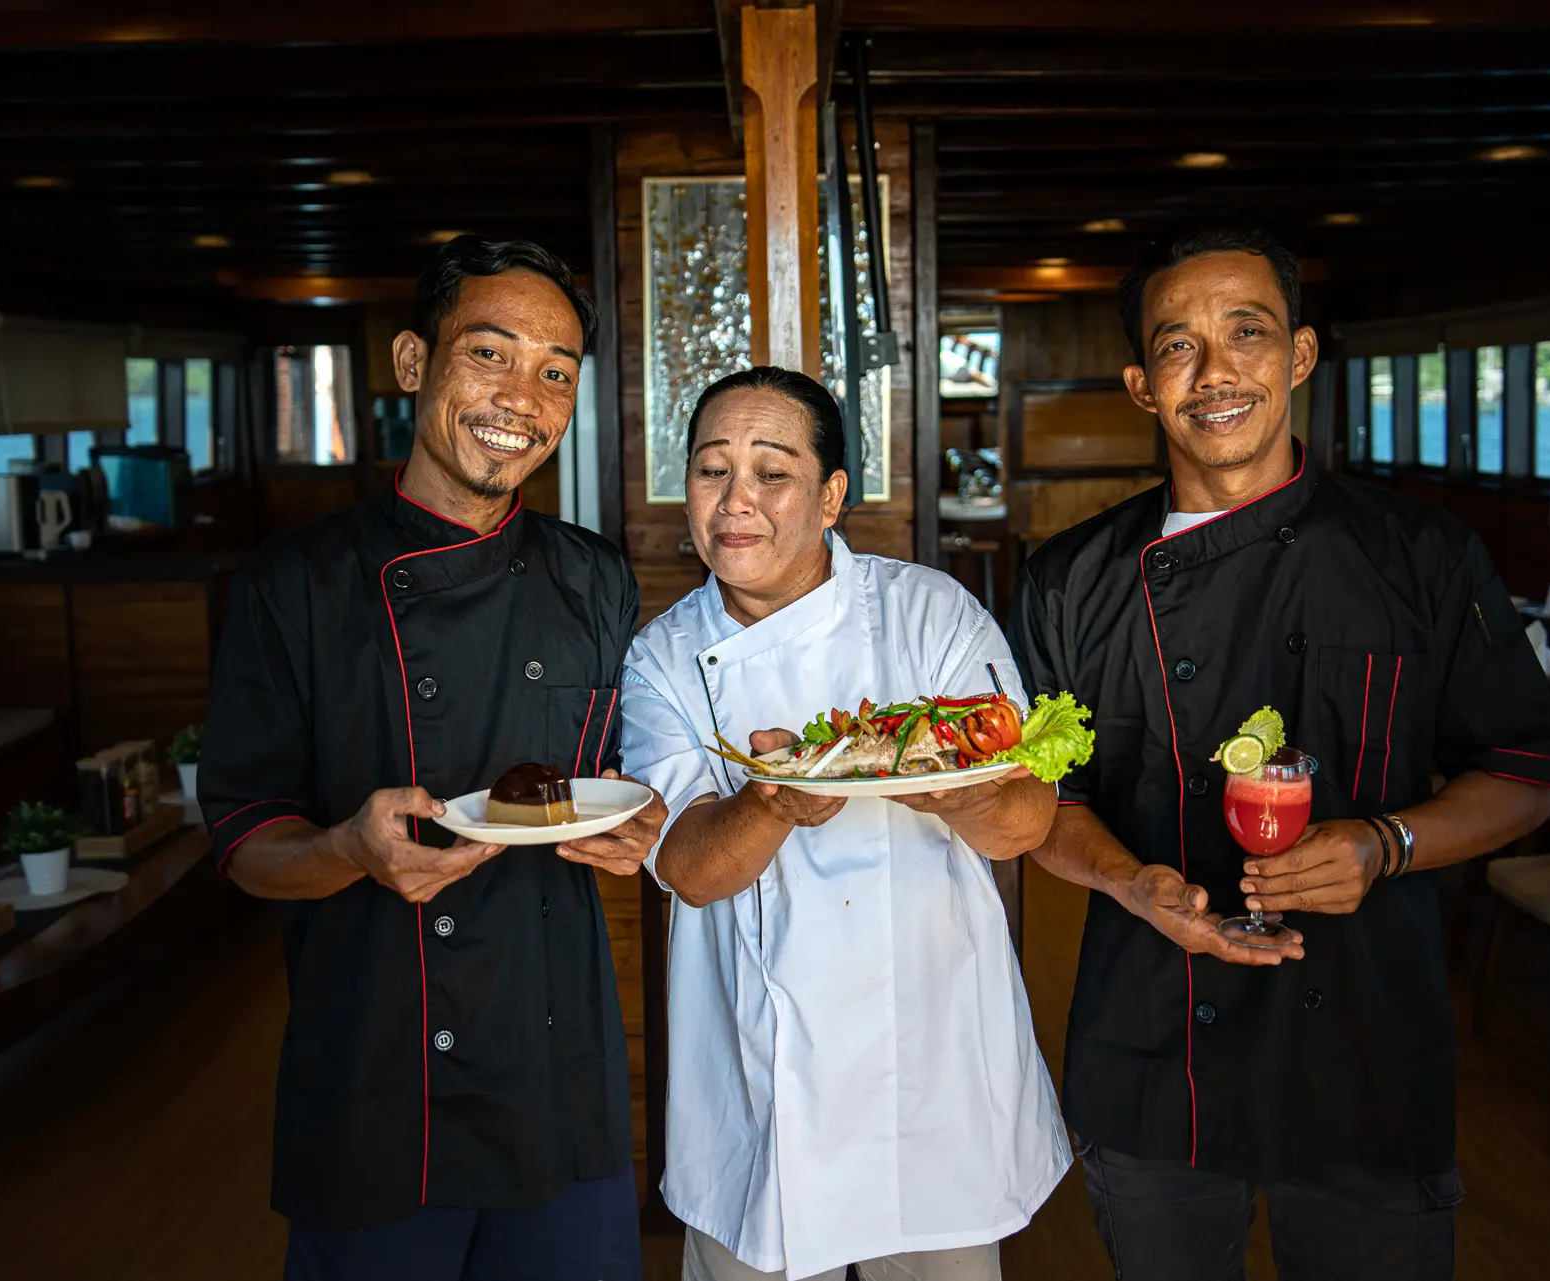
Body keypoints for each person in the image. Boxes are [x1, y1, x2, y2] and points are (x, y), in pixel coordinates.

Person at [1008, 225, 1550, 1281]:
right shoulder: (1071, 581)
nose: (1215, 374)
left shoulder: (1421, 555)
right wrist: (1132, 883)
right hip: (1153, 1041)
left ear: (1300, 356)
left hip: (1365, 1041)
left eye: (1247, 333)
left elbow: (1525, 776)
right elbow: (1046, 803)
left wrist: (1386, 843)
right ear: (1141, 383)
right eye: (1178, 346)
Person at [200, 236, 668, 1281]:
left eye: (556, 373)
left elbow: (627, 777)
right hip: (377, 1079)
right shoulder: (294, 587)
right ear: (414, 362)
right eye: (490, 355)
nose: (522, 397)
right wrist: (348, 852)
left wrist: (645, 827)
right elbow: (243, 840)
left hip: (560, 1078)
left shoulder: (595, 579)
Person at [619, 367, 1070, 1281]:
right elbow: (691, 869)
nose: (736, 500)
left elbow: (1026, 817)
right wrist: (776, 797)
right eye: (712, 471)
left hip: (930, 1073)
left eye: (772, 472)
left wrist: (952, 784)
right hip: (758, 1090)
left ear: (829, 497)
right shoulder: (663, 655)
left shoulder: (928, 612)